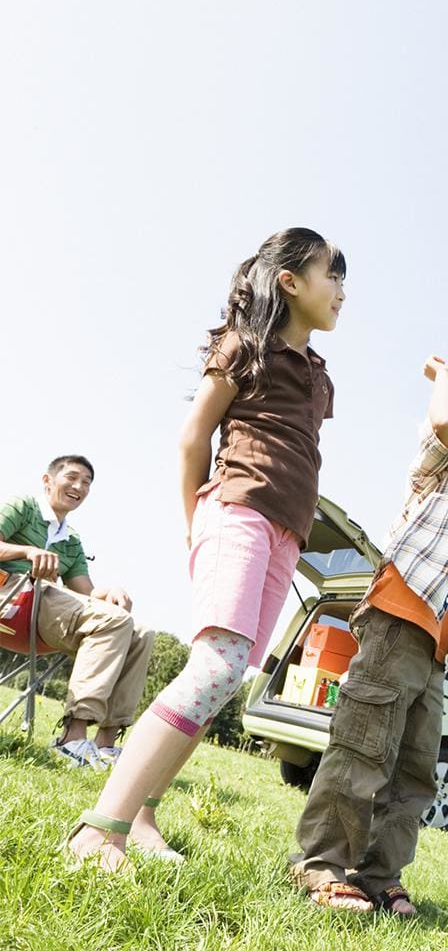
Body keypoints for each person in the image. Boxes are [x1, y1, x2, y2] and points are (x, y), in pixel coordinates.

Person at [66, 227, 346, 871]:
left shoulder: (320, 377)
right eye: (332, 274)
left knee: (223, 680)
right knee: (214, 666)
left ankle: (140, 817)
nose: (341, 291)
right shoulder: (244, 346)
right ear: (289, 281)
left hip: (285, 532)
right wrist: (196, 517)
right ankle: (98, 828)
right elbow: (195, 436)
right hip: (235, 510)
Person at [290, 355, 448, 917]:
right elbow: (445, 426)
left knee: (414, 770)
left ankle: (379, 873)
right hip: (397, 621)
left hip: (432, 654)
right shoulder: (446, 471)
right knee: (363, 746)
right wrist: (446, 378)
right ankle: (321, 865)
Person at [0, 455, 154, 772]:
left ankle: (106, 743)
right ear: (48, 481)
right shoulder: (23, 507)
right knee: (112, 620)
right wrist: (27, 551)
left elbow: (85, 591)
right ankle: (72, 737)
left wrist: (107, 592)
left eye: (86, 482)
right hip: (12, 595)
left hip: (47, 610)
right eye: (72, 477)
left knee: (141, 632)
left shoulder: (71, 540)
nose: (79, 486)